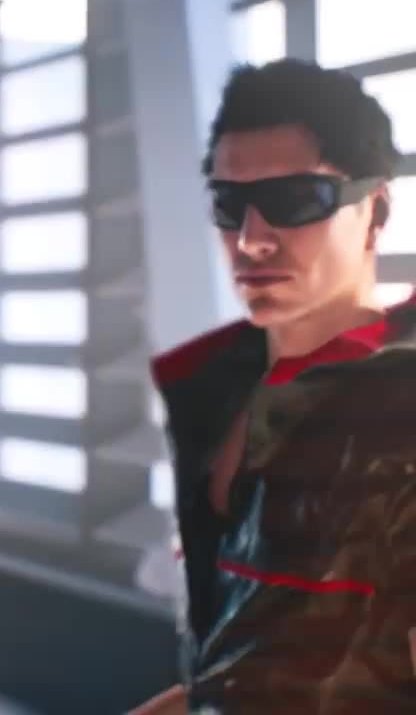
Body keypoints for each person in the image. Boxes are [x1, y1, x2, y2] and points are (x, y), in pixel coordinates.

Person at [131, 57, 411, 713]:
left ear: (375, 211)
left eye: (295, 200)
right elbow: (239, 672)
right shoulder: (210, 391)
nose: (251, 241)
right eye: (230, 205)